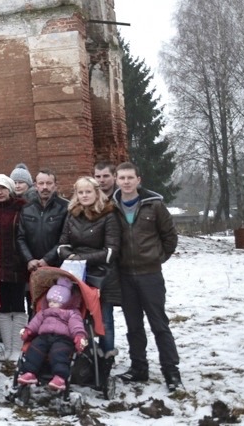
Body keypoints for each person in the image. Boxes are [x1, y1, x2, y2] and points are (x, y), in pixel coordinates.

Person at [113, 162, 181, 391]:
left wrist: (157, 257)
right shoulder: (112, 207)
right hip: (125, 276)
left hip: (150, 275)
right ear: (116, 180)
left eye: (130, 177)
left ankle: (171, 372)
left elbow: (170, 237)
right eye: (122, 178)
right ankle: (138, 368)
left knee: (159, 325)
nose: (126, 182)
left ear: (138, 180)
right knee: (134, 326)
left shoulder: (154, 205)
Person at [49, 175, 121, 382]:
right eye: (80, 192)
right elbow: (62, 243)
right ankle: (78, 357)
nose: (84, 196)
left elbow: (110, 251)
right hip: (75, 273)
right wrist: (69, 256)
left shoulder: (109, 214)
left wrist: (81, 258)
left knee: (103, 318)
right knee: (75, 316)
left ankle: (107, 357)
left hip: (101, 274)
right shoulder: (72, 214)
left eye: (88, 192)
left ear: (96, 192)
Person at [0, 173, 27, 363]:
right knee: (0, 308)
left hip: (16, 264)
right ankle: (7, 347)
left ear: (9, 189)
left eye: (2, 188)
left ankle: (17, 348)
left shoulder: (21, 209)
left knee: (17, 306)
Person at [16, 280, 88, 391]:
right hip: (44, 336)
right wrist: (28, 330)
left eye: (55, 301)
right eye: (50, 301)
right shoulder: (44, 312)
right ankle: (29, 372)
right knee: (35, 348)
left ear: (66, 301)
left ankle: (59, 377)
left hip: (63, 339)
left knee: (58, 352)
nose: (51, 304)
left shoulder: (72, 313)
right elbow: (35, 322)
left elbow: (76, 325)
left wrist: (79, 336)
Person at [17, 170, 68, 278]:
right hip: (32, 268)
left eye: (49, 183)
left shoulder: (65, 208)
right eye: (41, 183)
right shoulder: (26, 209)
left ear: (55, 186)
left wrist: (47, 259)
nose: (45, 187)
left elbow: (66, 238)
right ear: (36, 186)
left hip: (57, 267)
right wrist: (29, 259)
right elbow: (20, 237)